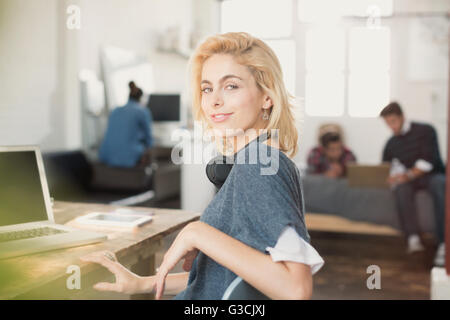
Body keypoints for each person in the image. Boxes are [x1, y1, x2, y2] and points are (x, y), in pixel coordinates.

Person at [81, 32, 324, 300]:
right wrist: (142, 284)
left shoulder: (258, 164)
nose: (214, 100)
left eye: (231, 86)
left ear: (267, 96)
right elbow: (225, 279)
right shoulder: (258, 160)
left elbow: (295, 289)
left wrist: (197, 233)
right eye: (207, 88)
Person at [380, 101, 446, 266]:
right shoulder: (391, 143)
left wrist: (407, 175)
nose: (391, 126)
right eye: (387, 123)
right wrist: (392, 177)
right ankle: (413, 238)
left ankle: (444, 243)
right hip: (409, 180)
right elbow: (386, 166)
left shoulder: (426, 130)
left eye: (393, 121)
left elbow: (428, 162)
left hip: (432, 175)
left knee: (442, 185)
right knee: (401, 189)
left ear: (402, 117)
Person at [98, 81, 153, 168]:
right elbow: (149, 140)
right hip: (127, 162)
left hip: (106, 160)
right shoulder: (142, 111)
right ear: (141, 99)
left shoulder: (115, 110)